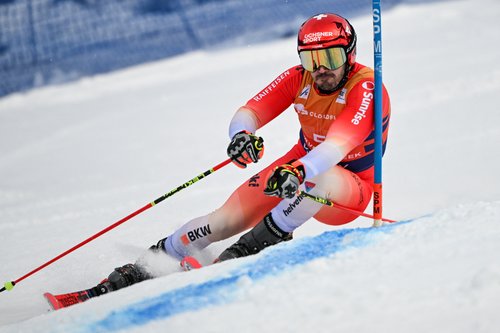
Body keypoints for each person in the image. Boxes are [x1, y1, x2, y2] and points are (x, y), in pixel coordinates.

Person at [51, 12, 391, 305]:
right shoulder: (297, 79)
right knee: (224, 219)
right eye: (310, 60)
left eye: (330, 58)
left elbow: (337, 146)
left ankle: (252, 246)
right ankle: (146, 265)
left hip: (349, 188)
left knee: (325, 176)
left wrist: (299, 170)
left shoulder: (366, 88)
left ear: (350, 53)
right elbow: (249, 112)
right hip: (298, 167)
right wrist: (241, 136)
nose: (320, 70)